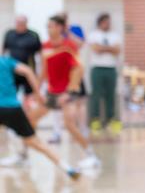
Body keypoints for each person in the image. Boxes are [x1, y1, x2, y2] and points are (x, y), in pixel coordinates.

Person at [30, 15, 100, 169]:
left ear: (60, 28)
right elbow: (44, 71)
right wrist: (36, 91)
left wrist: (68, 92)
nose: (49, 29)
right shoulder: (45, 46)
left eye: (52, 26)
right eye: (48, 26)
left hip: (68, 93)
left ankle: (91, 156)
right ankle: (23, 155)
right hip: (51, 93)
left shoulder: (69, 45)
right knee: (30, 119)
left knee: (70, 125)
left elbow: (79, 69)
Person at [0, 53, 80, 179]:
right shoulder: (6, 61)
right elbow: (28, 71)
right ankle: (67, 168)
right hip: (13, 108)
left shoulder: (6, 61)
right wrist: (37, 94)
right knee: (35, 142)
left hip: (9, 107)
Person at [88, 13, 122, 133]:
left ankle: (110, 119)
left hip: (111, 69)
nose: (108, 24)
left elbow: (117, 50)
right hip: (97, 68)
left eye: (109, 22)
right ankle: (95, 120)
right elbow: (96, 49)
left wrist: (103, 48)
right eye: (105, 22)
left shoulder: (115, 35)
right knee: (96, 95)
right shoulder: (93, 35)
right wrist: (110, 48)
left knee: (110, 95)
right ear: (100, 22)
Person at [2, 15, 43, 101]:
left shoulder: (33, 35)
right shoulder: (9, 34)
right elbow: (3, 50)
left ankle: (27, 107)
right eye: (18, 23)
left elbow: (40, 53)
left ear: (26, 23)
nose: (19, 25)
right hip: (13, 70)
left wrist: (40, 72)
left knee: (29, 96)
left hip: (28, 69)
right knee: (11, 93)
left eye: (22, 23)